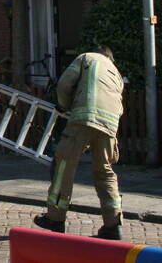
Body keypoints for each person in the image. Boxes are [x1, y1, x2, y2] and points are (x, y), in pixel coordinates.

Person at [34, 45, 125, 240]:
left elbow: (65, 84)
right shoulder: (116, 72)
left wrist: (64, 106)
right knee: (105, 171)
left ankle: (55, 218)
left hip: (84, 118)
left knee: (65, 165)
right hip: (110, 125)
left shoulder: (86, 58)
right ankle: (113, 225)